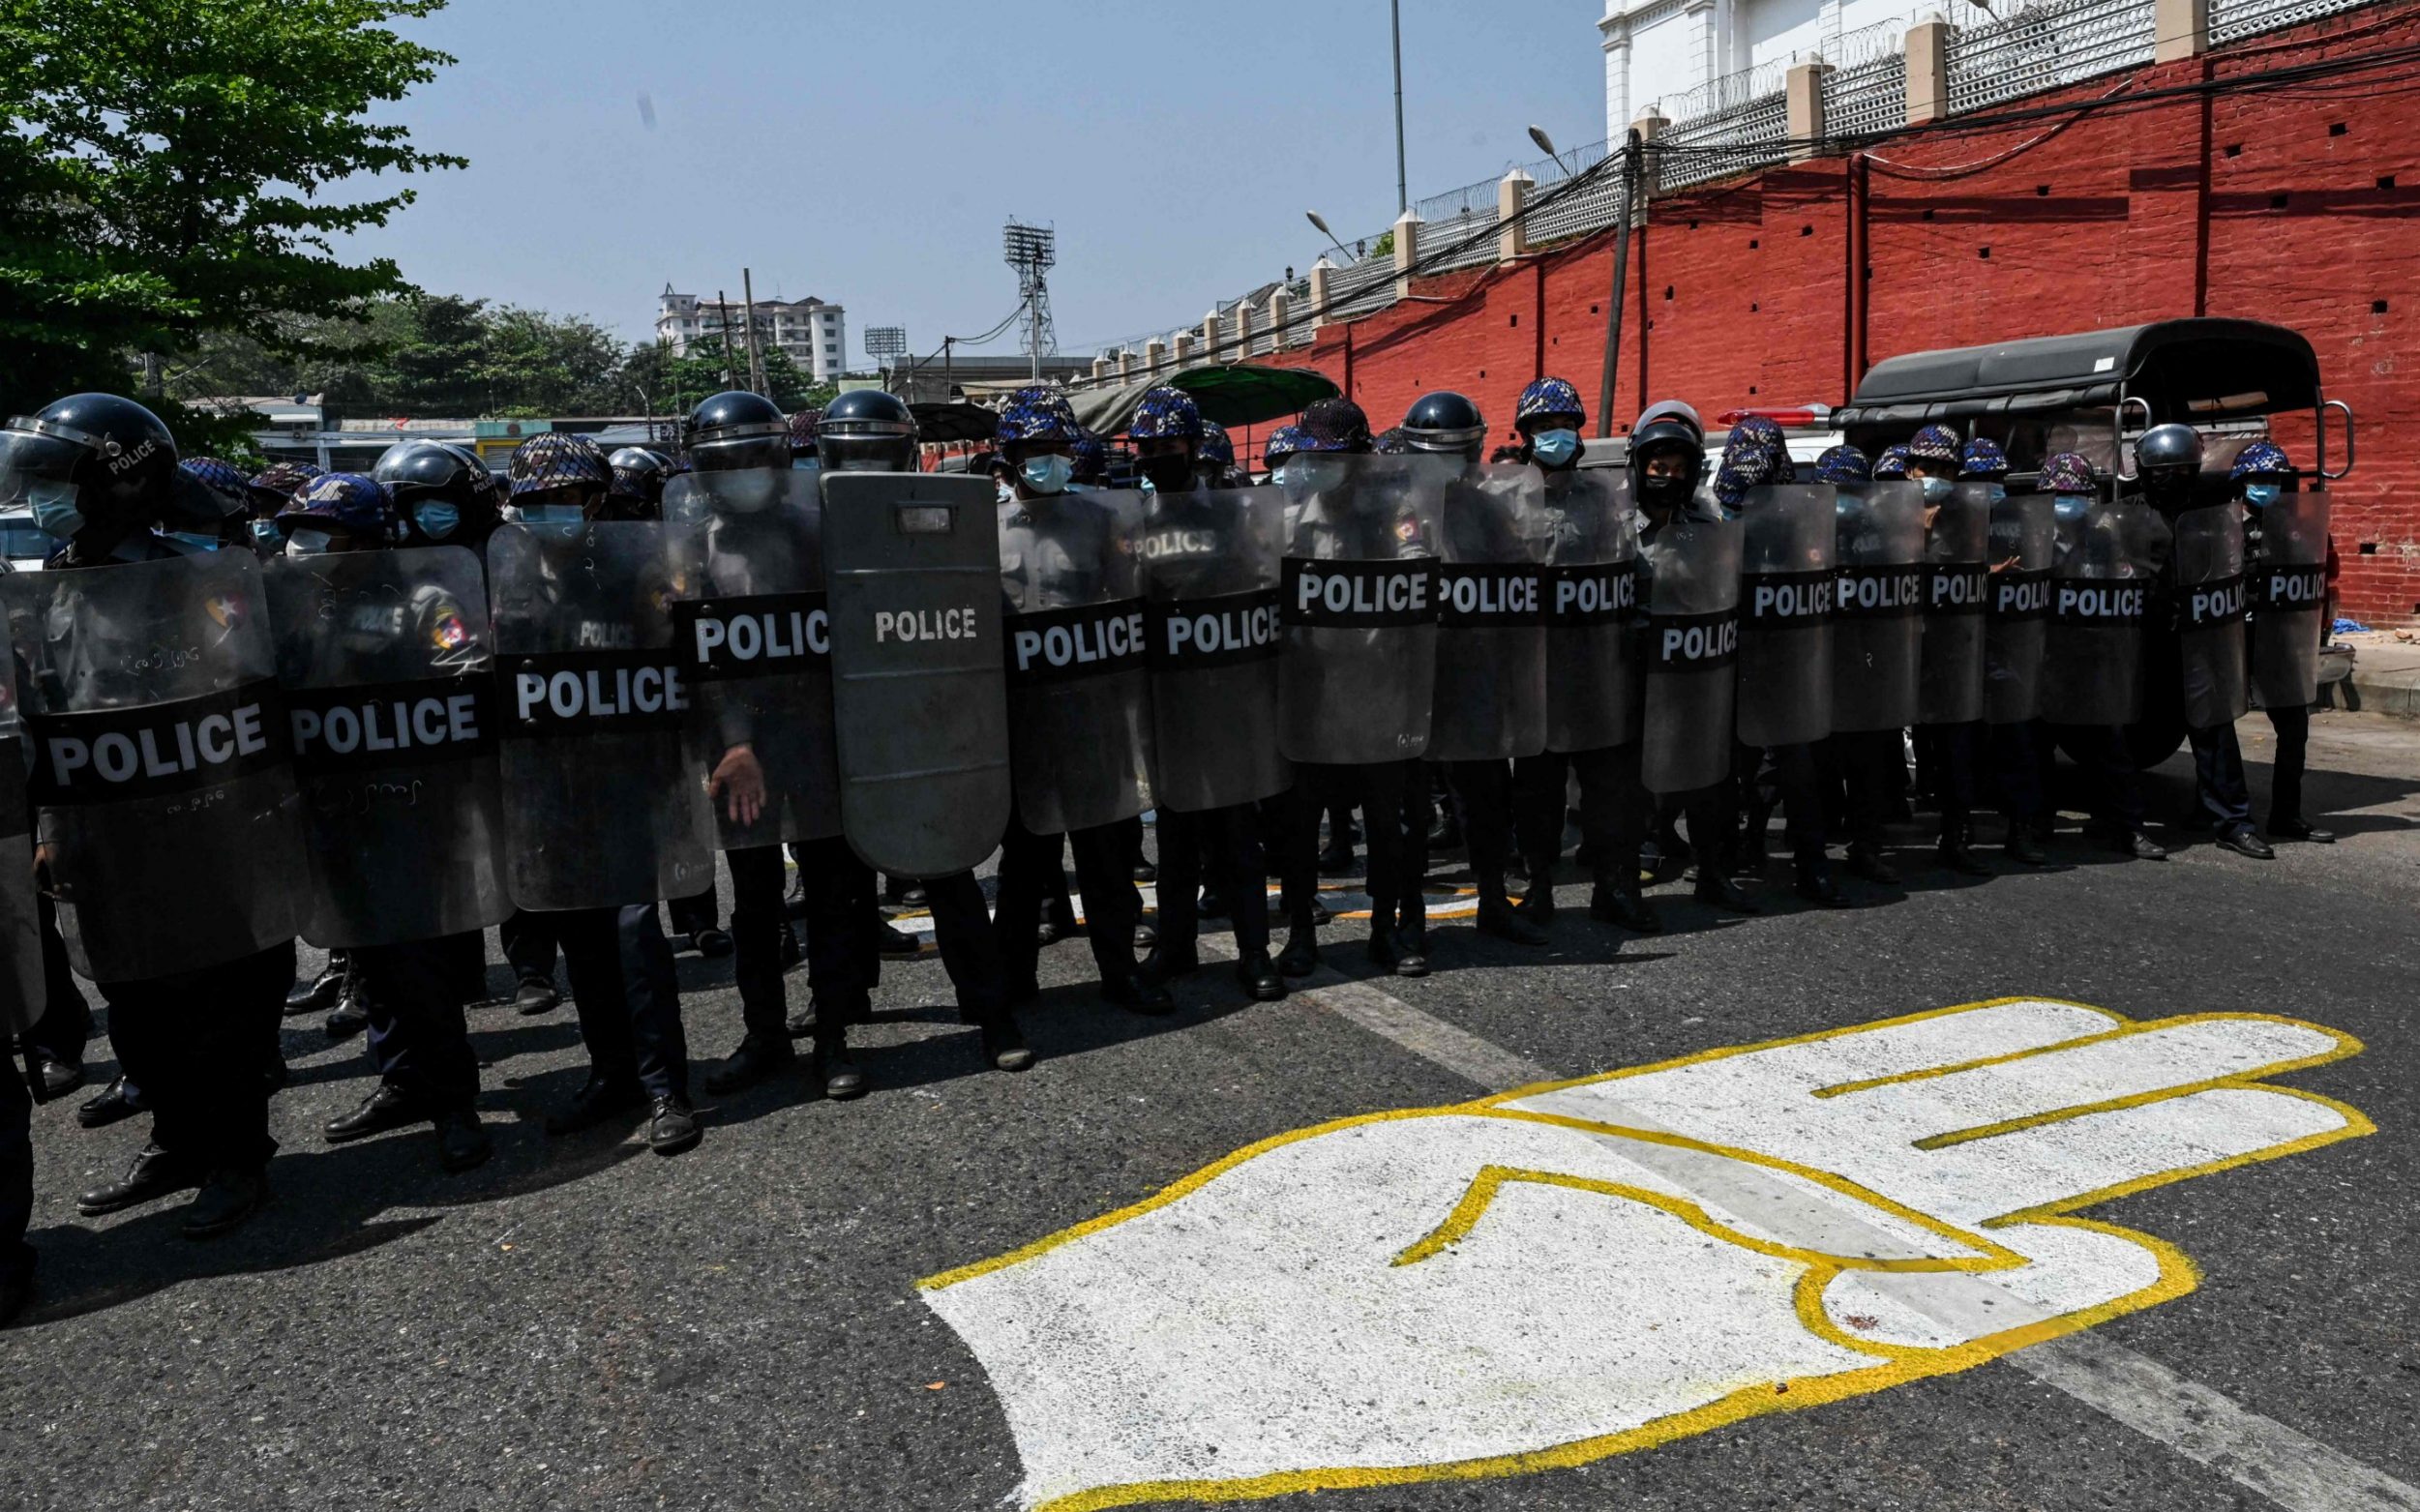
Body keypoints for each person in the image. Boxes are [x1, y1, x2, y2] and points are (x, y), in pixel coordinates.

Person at [9, 394, 295, 1236]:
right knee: (137, 1003)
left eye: (55, 481)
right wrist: (47, 829)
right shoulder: (55, 582)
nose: (40, 499)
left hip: (205, 822)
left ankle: (239, 1158)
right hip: (107, 826)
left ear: (121, 484)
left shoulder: (206, 577)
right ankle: (178, 1140)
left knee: (221, 1002)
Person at [272, 473, 493, 1172]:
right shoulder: (299, 607)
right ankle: (400, 1080)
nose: (301, 543)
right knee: (366, 958)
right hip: (335, 810)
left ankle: (455, 1103)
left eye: (320, 529)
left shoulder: (425, 599)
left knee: (419, 962)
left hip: (410, 808)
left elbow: (469, 674)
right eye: (296, 527)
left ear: (364, 539)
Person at [813, 388, 1032, 1073]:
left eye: (878, 450)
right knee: (833, 893)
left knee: (949, 872)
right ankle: (832, 1031)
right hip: (836, 729)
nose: (866, 464)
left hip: (916, 725)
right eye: (855, 452)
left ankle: (991, 1012)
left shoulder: (943, 518)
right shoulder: (803, 525)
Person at [501, 431, 702, 1153]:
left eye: (559, 500)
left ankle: (663, 1088)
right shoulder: (508, 581)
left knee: (634, 940)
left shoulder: (637, 573)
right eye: (532, 503)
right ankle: (610, 1074)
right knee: (581, 944)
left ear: (591, 501)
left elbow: (690, 657)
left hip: (632, 787)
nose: (545, 514)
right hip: (552, 794)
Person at [991, 387, 1171, 1012]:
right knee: (1023, 863)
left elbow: (1129, 609)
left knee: (1106, 860)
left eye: (1058, 450)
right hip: (1022, 723)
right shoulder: (982, 532)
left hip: (1093, 717)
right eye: (1037, 451)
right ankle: (1013, 980)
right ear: (1010, 457)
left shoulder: (1100, 521)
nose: (1051, 462)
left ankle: (1120, 971)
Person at [1125, 386, 1286, 1000]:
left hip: (1225, 696)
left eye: (1166, 445)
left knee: (1238, 837)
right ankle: (1175, 947)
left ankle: (1254, 952)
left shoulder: (1232, 514)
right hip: (1166, 701)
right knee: (1175, 841)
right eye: (1146, 447)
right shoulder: (1133, 520)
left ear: (1193, 446)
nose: (1154, 456)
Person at [1271, 397, 1433, 974]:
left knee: (1389, 825)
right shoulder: (1291, 524)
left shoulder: (1397, 514)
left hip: (1381, 695)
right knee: (1299, 824)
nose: (1330, 468)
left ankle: (1387, 929)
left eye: (1341, 457)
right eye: (1319, 459)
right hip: (1313, 698)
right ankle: (1299, 934)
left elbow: (1418, 582)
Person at [1511, 384, 1674, 934]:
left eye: (1566, 422)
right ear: (1525, 434)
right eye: (1544, 424)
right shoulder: (1507, 500)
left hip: (1602, 672)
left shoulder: (1608, 499)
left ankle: (1616, 888)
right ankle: (1539, 889)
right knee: (1539, 796)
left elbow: (1634, 573)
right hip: (1538, 677)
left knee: (1613, 794)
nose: (1556, 433)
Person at [1403, 389, 1546, 948]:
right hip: (1414, 675)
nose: (1453, 464)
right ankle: (1408, 921)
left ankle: (1493, 901)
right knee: (1411, 809)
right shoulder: (1397, 507)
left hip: (1475, 672)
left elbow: (1516, 580)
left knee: (1487, 799)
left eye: (1463, 451)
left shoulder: (1490, 509)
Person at [1629, 395, 1757, 914]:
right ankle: (1627, 879)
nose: (1667, 475)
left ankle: (1713, 872)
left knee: (1710, 782)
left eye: (1678, 467)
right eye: (1659, 465)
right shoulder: (1614, 532)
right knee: (1632, 785)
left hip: (1694, 676)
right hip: (1636, 676)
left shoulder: (1709, 535)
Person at [1726, 426, 1849, 906]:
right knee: (1738, 769)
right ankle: (1737, 847)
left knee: (1797, 771)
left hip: (1783, 666)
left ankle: (1811, 865)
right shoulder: (1713, 521)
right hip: (1734, 665)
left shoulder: (1798, 527)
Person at [2137, 423, 2272, 861]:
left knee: (2214, 733)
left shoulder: (2211, 516)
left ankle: (2232, 822)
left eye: (2180, 471)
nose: (2170, 480)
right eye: (2160, 472)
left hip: (2198, 642)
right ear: (2143, 473)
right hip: (2145, 644)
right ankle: (2123, 820)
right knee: (2129, 731)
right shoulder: (2129, 516)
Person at [2038, 450, 2166, 861]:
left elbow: (2124, 587)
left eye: (2076, 494)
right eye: (2058, 493)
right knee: (2037, 747)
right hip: (2047, 660)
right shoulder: (2033, 538)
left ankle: (2128, 827)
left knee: (2112, 745)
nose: (2068, 501)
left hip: (2092, 658)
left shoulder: (2106, 537)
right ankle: (2032, 825)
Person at [2234, 440, 2331, 843]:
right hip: (2235, 638)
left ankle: (2286, 814)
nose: (2267, 486)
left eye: (2274, 479)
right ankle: (2216, 809)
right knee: (2213, 726)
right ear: (2242, 483)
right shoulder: (2224, 527)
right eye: (2259, 479)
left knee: (2294, 727)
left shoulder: (2295, 525)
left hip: (2280, 640)